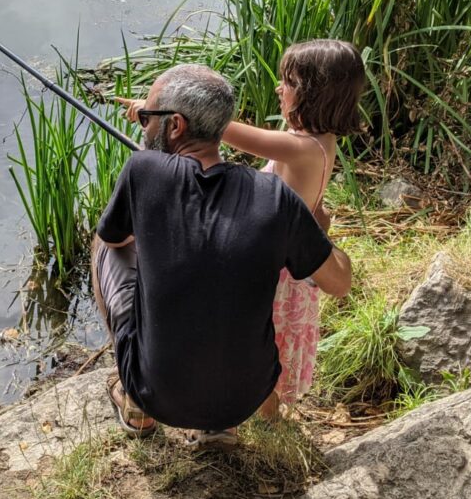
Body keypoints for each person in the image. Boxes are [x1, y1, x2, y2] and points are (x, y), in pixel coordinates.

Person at [93, 63, 352, 448]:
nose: (144, 126)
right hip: (242, 402)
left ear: (176, 126)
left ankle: (137, 408)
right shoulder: (275, 197)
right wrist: (319, 230)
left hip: (158, 395)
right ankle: (218, 427)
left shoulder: (143, 169)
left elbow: (116, 240)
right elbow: (340, 283)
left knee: (104, 243)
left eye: (148, 118)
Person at [221, 40, 366, 413]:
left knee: (266, 345)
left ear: (311, 94)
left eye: (287, 81)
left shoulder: (300, 148)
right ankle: (268, 419)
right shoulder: (320, 141)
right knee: (270, 344)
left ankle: (268, 427)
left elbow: (223, 129)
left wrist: (168, 112)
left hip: (278, 272)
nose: (277, 88)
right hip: (292, 264)